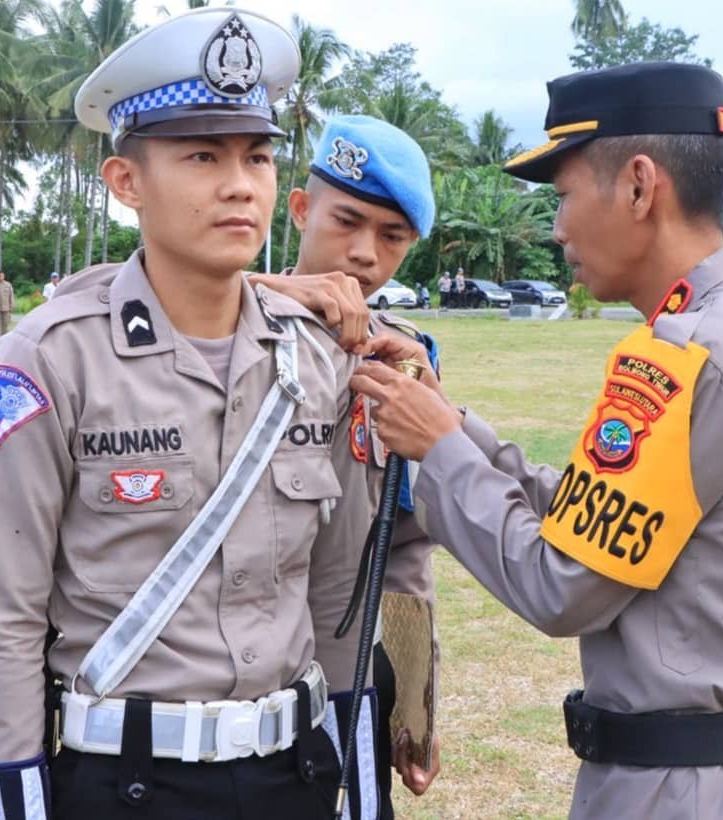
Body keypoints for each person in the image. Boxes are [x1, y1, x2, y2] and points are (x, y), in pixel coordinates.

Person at [350, 62, 723, 819]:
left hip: (693, 789)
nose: (557, 226)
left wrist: (439, 451)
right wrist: (454, 422)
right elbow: (597, 515)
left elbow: (561, 582)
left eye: (567, 194)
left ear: (640, 186)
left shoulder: (688, 352)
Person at [0, 10, 378, 819]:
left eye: (257, 155)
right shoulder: (52, 359)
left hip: (289, 775)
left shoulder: (316, 359)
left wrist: (358, 785)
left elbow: (340, 598)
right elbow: (5, 617)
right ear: (126, 183)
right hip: (125, 785)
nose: (240, 184)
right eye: (201, 155)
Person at [252, 114, 443, 812]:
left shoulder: (402, 358)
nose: (364, 253)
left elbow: (407, 549)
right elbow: (91, 299)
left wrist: (415, 710)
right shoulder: (224, 323)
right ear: (301, 210)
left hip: (348, 676)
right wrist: (261, 289)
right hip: (228, 680)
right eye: (346, 221)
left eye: (391, 237)